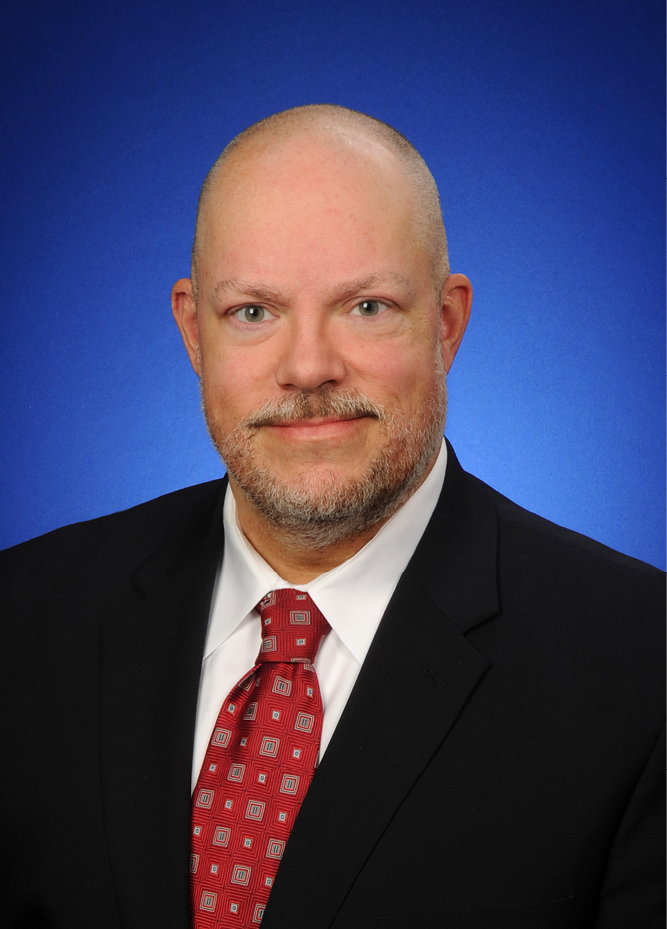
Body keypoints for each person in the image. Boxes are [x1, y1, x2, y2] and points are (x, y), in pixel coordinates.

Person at [0, 105, 665, 929]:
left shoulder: (642, 665)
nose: (308, 367)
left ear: (446, 323)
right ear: (191, 331)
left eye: (366, 306)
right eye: (253, 312)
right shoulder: (23, 616)